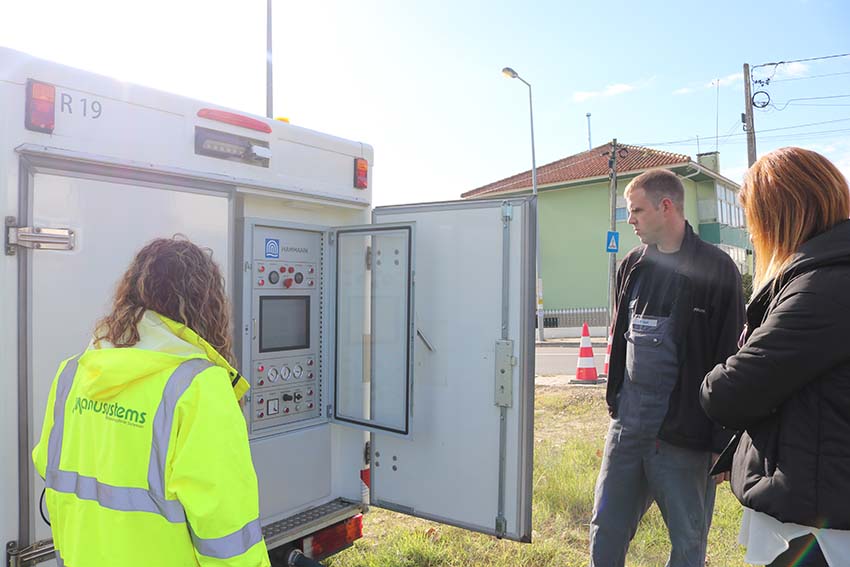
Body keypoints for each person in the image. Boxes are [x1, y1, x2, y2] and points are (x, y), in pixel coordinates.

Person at [32, 237, 271, 567]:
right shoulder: (200, 387)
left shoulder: (73, 373)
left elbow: (49, 469)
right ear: (206, 305)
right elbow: (226, 532)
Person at [700, 147, 850, 567]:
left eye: (752, 219)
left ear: (780, 216)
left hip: (819, 522)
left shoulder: (823, 287)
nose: (750, 233)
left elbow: (727, 392)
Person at [589, 169, 745, 567]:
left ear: (666, 206)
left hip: (684, 435)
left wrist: (721, 441)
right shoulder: (632, 265)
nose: (630, 220)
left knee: (688, 541)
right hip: (628, 428)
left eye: (637, 210)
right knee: (605, 527)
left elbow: (729, 357)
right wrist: (616, 405)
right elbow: (619, 339)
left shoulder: (717, 269)